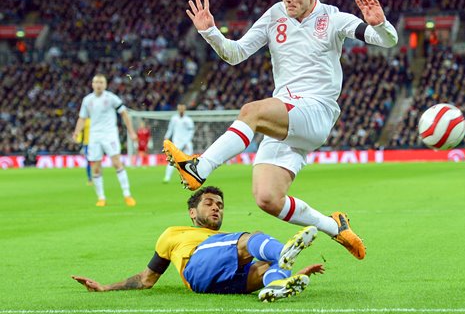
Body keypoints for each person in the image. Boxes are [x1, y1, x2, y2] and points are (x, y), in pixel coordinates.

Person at [164, 0, 399, 260]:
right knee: (267, 198)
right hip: (286, 113)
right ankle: (335, 226)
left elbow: (387, 41)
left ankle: (199, 168)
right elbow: (235, 54)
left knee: (252, 111)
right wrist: (210, 31)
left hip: (316, 110)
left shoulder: (335, 18)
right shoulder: (275, 15)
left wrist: (380, 23)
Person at [72, 186, 323, 302]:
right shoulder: (174, 233)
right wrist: (106, 287)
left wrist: (294, 274)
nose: (216, 208)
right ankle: (284, 253)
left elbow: (146, 282)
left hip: (220, 282)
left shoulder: (225, 239)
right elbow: (146, 279)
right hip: (197, 266)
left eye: (220, 206)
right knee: (253, 238)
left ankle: (277, 282)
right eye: (209, 203)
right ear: (193, 213)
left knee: (267, 263)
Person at [72, 74, 138, 207]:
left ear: (105, 84)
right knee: (95, 168)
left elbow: (124, 113)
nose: (98, 85)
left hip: (110, 135)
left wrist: (131, 131)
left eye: (101, 82)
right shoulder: (87, 100)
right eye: (96, 82)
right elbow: (82, 118)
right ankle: (101, 198)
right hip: (94, 136)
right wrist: (76, 132)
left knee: (116, 163)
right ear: (92, 84)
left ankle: (127, 195)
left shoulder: (111, 98)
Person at [163, 104, 195, 182]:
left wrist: (186, 142)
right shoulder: (174, 119)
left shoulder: (188, 120)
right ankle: (167, 177)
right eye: (179, 108)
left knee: (189, 161)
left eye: (182, 108)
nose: (181, 109)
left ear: (184, 109)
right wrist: (166, 137)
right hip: (176, 143)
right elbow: (170, 129)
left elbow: (191, 132)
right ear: (178, 108)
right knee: (172, 160)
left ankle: (191, 178)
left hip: (186, 143)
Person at [75, 118, 93, 185]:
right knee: (88, 161)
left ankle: (97, 177)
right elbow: (80, 130)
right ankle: (90, 179)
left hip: (96, 143)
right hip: (87, 144)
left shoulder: (96, 118)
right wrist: (78, 139)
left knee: (96, 161)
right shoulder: (85, 120)